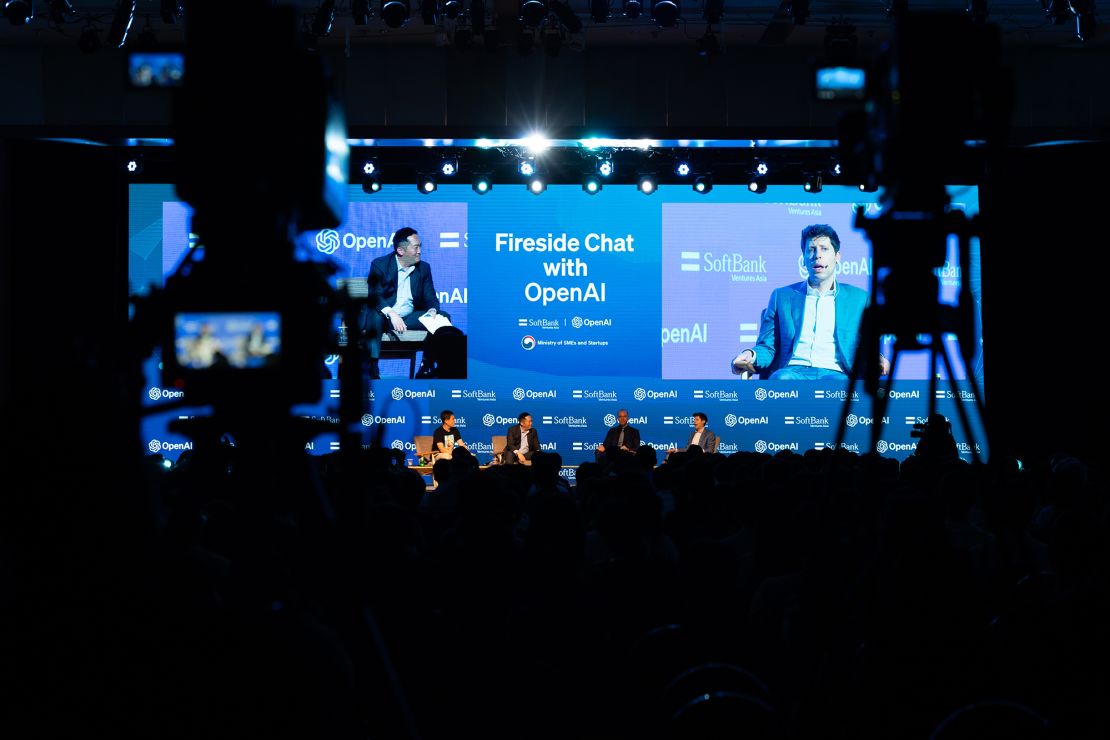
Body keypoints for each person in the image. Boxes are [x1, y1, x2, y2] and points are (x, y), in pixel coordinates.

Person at [731, 224, 890, 380]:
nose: (817, 255)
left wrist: (878, 358)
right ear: (804, 259)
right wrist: (750, 355)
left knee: (838, 386)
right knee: (782, 380)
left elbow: (867, 346)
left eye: (824, 249)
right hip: (792, 371)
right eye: (811, 250)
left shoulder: (859, 299)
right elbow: (767, 347)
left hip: (836, 373)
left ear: (837, 257)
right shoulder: (782, 297)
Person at [360, 227, 448, 378]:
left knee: (443, 318)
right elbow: (375, 295)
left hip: (408, 317)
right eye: (416, 247)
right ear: (401, 251)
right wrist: (392, 314)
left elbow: (430, 296)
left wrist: (432, 311)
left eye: (420, 246)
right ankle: (372, 366)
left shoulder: (424, 268)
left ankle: (427, 364)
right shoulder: (380, 265)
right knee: (375, 316)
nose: (419, 251)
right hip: (385, 315)